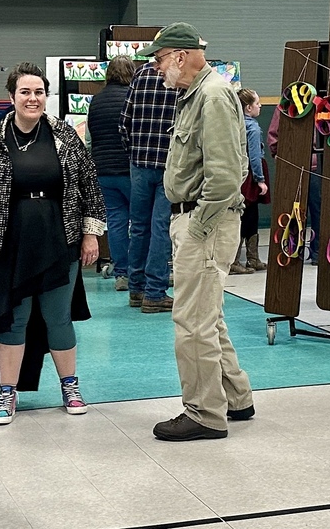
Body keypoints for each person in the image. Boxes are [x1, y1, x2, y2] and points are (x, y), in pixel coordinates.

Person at [0, 62, 106, 425]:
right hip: (5, 247)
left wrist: (91, 234)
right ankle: (7, 394)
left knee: (58, 318)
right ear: (11, 97)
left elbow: (90, 187)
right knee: (13, 320)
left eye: (39, 92)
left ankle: (70, 386)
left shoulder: (65, 137)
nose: (32, 98)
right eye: (25, 92)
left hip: (60, 241)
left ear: (46, 96)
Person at [140, 22, 254, 441]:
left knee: (191, 322)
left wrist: (197, 230)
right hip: (196, 219)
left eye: (158, 60)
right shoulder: (197, 95)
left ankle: (205, 413)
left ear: (180, 56)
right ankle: (236, 397)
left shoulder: (212, 95)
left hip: (205, 222)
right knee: (209, 316)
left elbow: (225, 178)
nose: (156, 69)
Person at [119, 60, 177, 313]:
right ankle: (155, 293)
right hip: (169, 164)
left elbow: (124, 122)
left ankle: (136, 289)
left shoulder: (141, 73)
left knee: (139, 227)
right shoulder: (180, 78)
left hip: (139, 164)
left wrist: (133, 153)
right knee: (161, 228)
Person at [86, 55, 135, 291]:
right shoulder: (133, 97)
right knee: (139, 223)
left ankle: (121, 274)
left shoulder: (96, 100)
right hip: (130, 169)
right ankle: (139, 272)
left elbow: (89, 139)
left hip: (103, 170)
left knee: (115, 222)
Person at [268, 113, 321, 265]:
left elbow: (273, 136)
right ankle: (293, 249)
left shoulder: (285, 107)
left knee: (315, 209)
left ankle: (309, 251)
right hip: (297, 165)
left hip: (310, 165)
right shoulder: (286, 107)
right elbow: (274, 135)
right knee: (296, 210)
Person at [231, 87, 270, 274]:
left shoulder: (234, 124)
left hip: (238, 174)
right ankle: (236, 260)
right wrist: (260, 180)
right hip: (251, 176)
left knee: (249, 214)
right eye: (257, 103)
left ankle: (253, 259)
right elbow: (254, 156)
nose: (260, 106)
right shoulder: (253, 128)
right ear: (248, 108)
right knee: (247, 215)